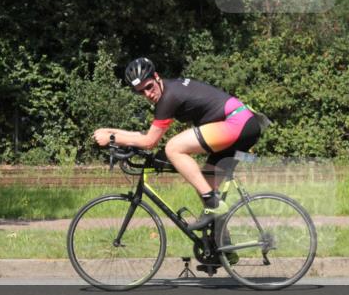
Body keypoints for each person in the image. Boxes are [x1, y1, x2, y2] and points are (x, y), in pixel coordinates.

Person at [93, 57, 262, 232]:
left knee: (173, 148)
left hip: (237, 123)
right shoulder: (168, 91)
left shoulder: (169, 97)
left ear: (157, 77)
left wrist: (112, 139)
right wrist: (109, 131)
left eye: (149, 86)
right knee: (203, 184)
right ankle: (221, 246)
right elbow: (144, 135)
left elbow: (149, 142)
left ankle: (214, 205)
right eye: (141, 92)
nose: (148, 94)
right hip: (242, 124)